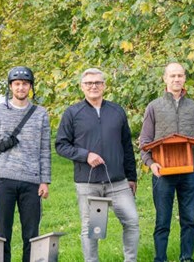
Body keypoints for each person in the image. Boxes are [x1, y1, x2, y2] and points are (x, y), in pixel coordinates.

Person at [56, 68, 139, 262]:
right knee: (91, 229)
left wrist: (132, 176)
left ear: (104, 86)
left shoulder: (117, 111)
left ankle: (131, 260)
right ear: (82, 87)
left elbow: (126, 145)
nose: (93, 86)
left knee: (132, 221)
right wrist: (85, 155)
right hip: (88, 182)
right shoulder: (72, 113)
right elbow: (61, 145)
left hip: (117, 182)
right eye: (89, 83)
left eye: (97, 83)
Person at [138, 62, 194, 262]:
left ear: (185, 78)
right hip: (163, 174)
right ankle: (160, 258)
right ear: (165, 79)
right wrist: (151, 164)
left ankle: (186, 257)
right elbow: (144, 142)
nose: (177, 79)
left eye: (180, 75)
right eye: (172, 76)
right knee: (162, 220)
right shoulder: (154, 107)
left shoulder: (192, 106)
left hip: (188, 172)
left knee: (189, 219)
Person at [0, 66, 51, 262]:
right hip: (3, 180)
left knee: (32, 235)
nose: (21, 88)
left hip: (32, 181)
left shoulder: (41, 113)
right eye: (17, 84)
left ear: (31, 87)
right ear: (11, 86)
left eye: (25, 84)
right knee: (1, 233)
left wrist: (45, 181)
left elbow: (45, 150)